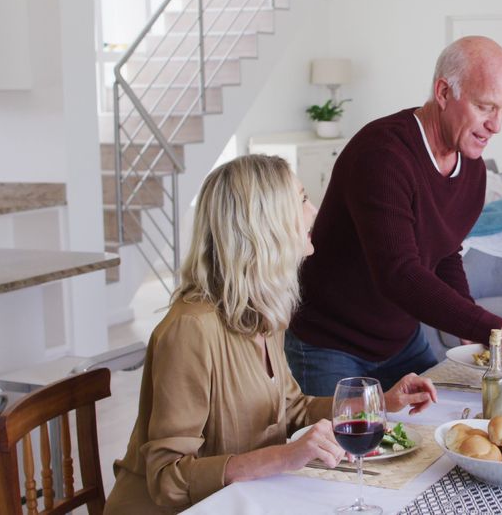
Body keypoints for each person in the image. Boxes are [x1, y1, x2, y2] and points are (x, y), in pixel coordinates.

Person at [105, 155, 438, 513]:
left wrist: (380, 403)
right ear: (264, 225)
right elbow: (168, 479)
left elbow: (293, 409)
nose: (314, 212)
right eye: (302, 200)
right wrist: (284, 457)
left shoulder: (261, 313)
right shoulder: (192, 329)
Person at [285, 36, 502, 396]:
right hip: (332, 345)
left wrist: (469, 323)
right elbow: (398, 273)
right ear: (444, 92)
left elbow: (445, 252)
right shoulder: (382, 155)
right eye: (485, 107)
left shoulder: (471, 168)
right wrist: (501, 331)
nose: (497, 125)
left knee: (442, 432)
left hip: (400, 342)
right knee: (338, 452)